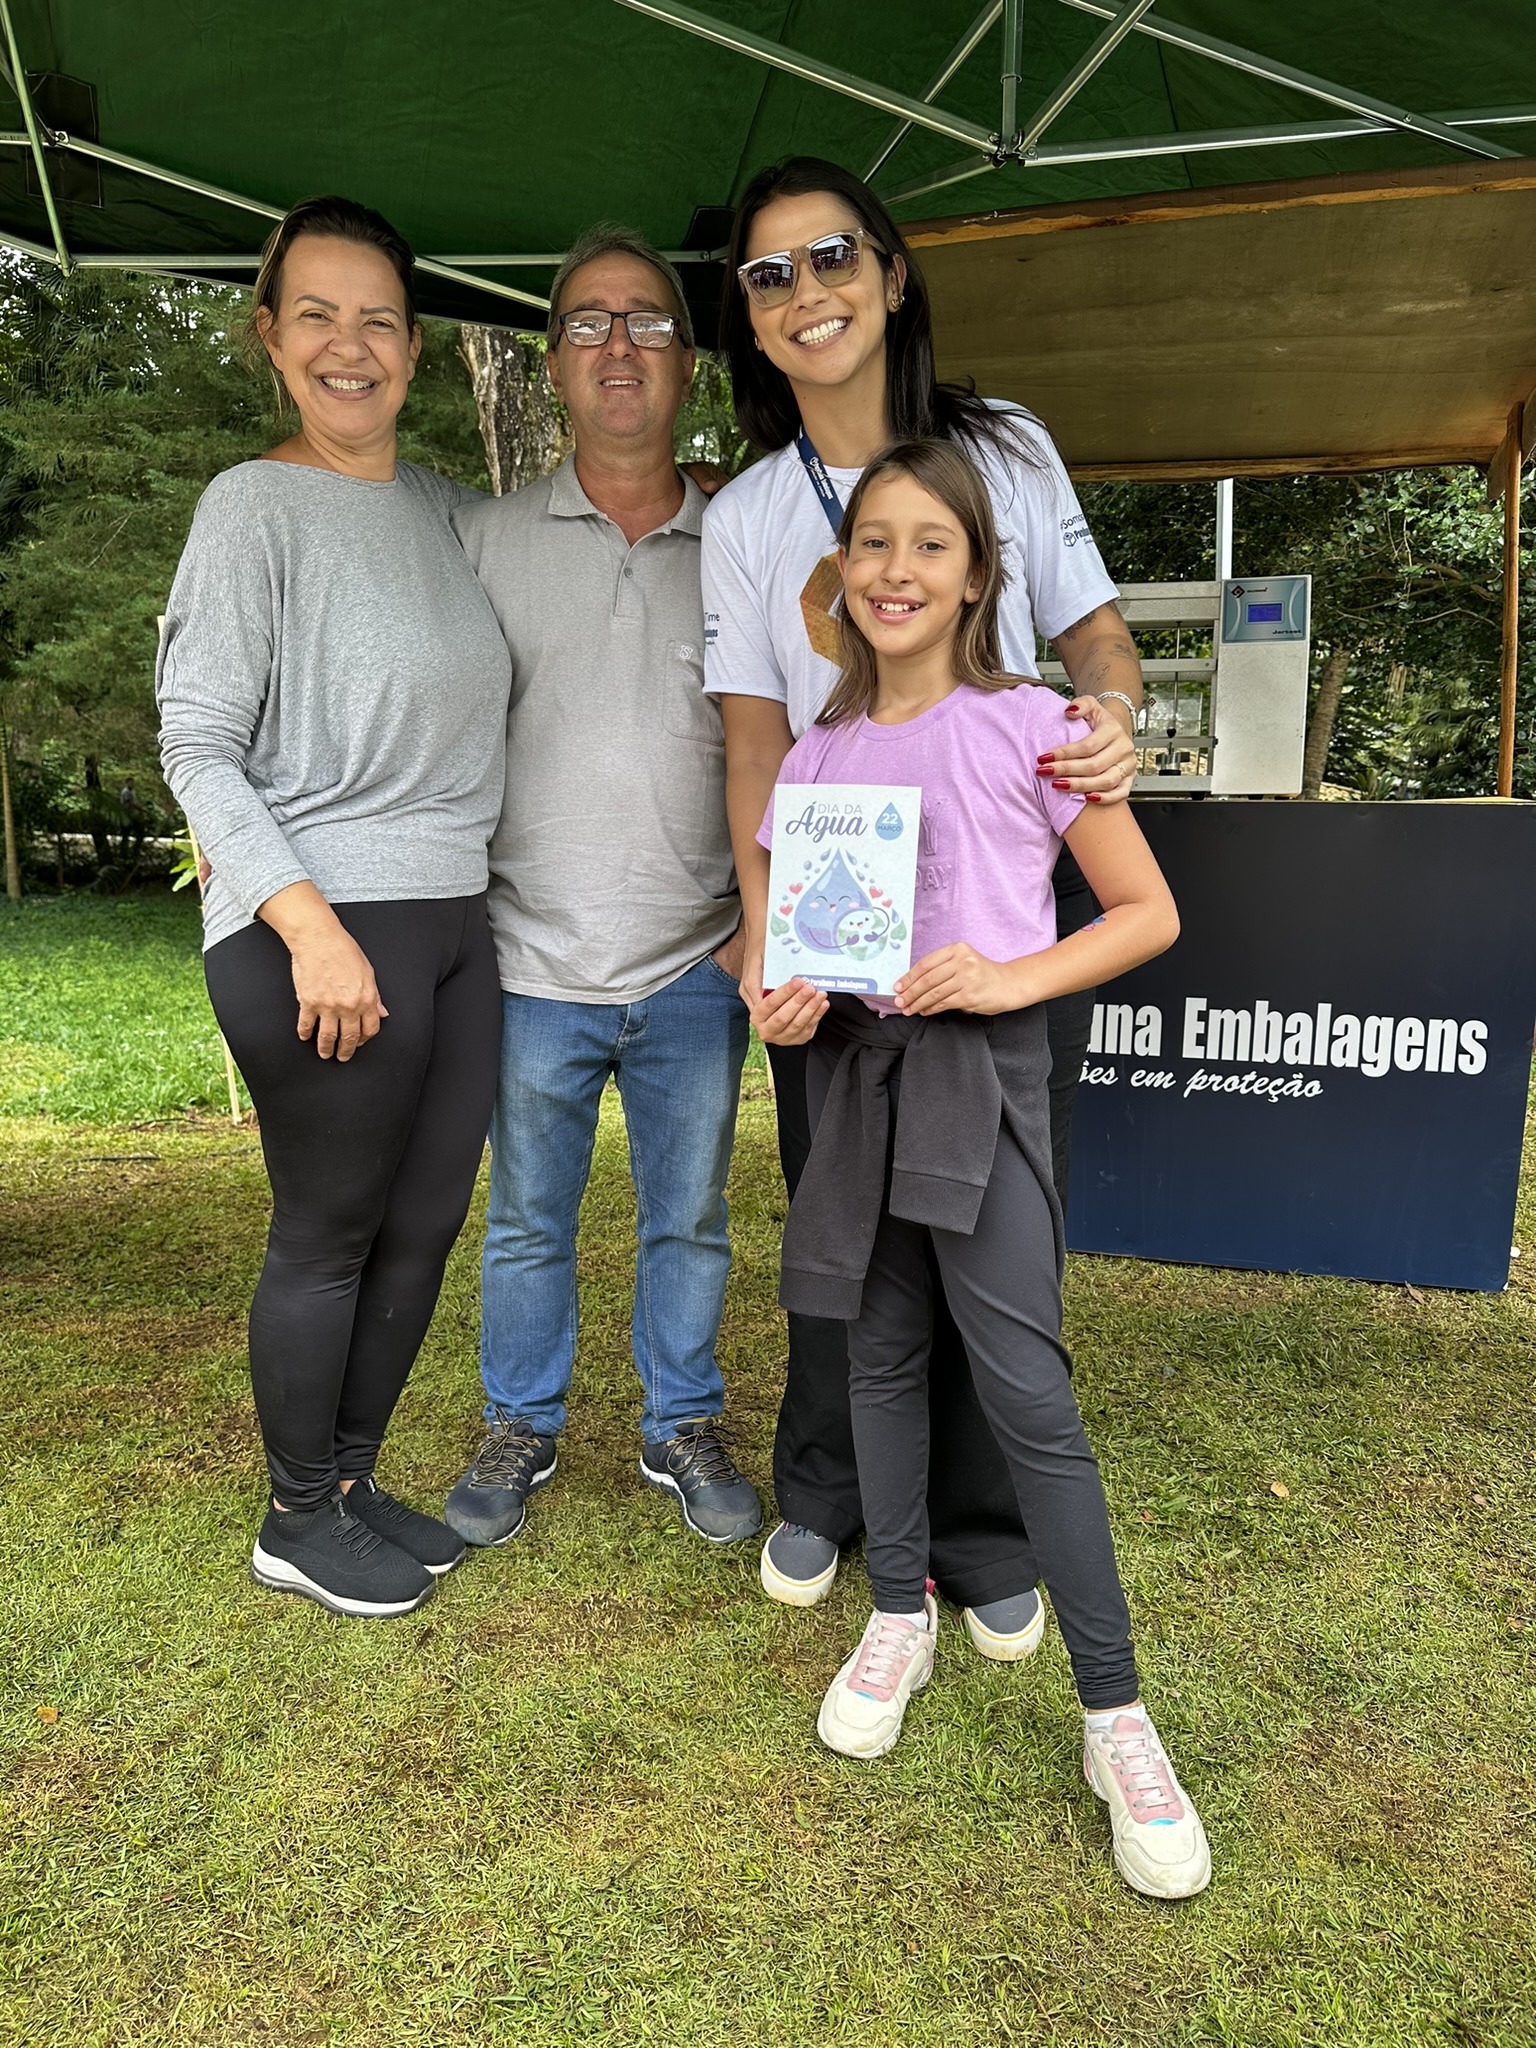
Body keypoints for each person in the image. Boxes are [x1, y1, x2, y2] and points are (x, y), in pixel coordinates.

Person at [753, 438, 1209, 1901]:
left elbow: (1144, 914)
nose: (895, 570)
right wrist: (782, 995)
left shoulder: (1033, 726)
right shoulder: (818, 757)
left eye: (928, 546)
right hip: (853, 1076)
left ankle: (1117, 1716)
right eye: (872, 545)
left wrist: (1007, 981)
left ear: (973, 577)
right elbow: (791, 948)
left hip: (978, 1078)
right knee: (876, 1350)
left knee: (1026, 1388)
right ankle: (899, 1609)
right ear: (841, 580)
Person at [702, 156, 1147, 1644]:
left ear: (892, 276)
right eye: (770, 275)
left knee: (991, 1237)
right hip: (834, 960)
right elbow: (760, 744)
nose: (806, 293)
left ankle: (983, 1531)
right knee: (844, 1241)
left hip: (994, 946)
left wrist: (1114, 723)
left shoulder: (1005, 448)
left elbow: (1097, 647)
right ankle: (827, 1493)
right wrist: (767, 939)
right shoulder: (754, 512)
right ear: (753, 321)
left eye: (832, 258)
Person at [157, 197, 513, 1620]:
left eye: (378, 319)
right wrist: (308, 926)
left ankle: (351, 1482)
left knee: (424, 1223)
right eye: (317, 314)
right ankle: (295, 1514)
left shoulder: (434, 508)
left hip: (453, 921)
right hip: (319, 933)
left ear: (417, 348)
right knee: (328, 1227)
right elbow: (195, 744)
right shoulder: (249, 508)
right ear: (270, 334)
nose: (349, 346)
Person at [442, 225, 760, 1552]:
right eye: (586, 323)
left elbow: (801, 734)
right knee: (525, 1220)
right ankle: (522, 1420)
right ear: (555, 362)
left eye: (644, 322)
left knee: (689, 1216)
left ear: (689, 364)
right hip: (528, 958)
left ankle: (680, 1421)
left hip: (697, 957)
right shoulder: (480, 537)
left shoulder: (746, 541)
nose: (617, 346)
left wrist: (764, 920)